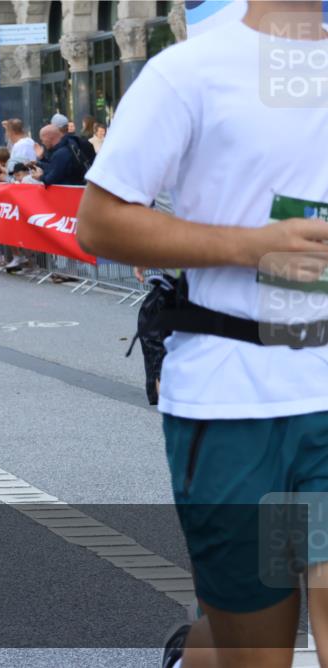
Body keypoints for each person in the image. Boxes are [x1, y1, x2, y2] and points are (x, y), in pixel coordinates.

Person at [75, 3, 328, 667]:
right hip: (234, 400)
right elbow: (99, 223)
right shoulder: (190, 72)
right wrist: (252, 246)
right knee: (257, 652)